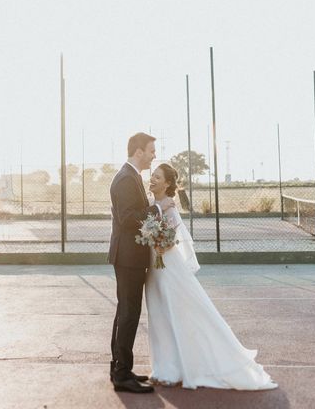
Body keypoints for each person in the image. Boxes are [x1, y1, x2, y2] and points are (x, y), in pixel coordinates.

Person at [145, 163, 277, 390]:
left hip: (168, 269)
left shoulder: (170, 209)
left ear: (167, 183)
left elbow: (170, 242)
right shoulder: (150, 205)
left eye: (158, 177)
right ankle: (164, 368)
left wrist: (158, 242)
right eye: (152, 176)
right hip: (153, 271)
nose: (153, 179)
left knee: (177, 315)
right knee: (159, 317)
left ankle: (177, 369)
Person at [108, 132, 174, 393]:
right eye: (151, 150)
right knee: (128, 314)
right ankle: (122, 374)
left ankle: (120, 368)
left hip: (129, 257)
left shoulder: (132, 176)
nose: (154, 155)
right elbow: (128, 218)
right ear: (138, 151)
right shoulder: (125, 178)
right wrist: (158, 209)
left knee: (125, 312)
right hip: (127, 258)